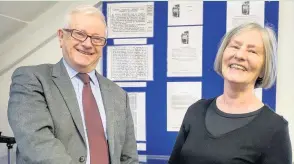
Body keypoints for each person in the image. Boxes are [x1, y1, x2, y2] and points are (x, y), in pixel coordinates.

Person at [7, 5, 138, 164]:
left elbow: (128, 157)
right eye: (79, 34)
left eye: (96, 38)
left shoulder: (119, 95)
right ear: (61, 37)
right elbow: (37, 144)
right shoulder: (31, 79)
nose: (88, 44)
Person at [168, 22, 292, 164]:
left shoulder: (274, 128)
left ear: (264, 68)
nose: (239, 55)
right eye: (235, 46)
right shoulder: (196, 111)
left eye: (252, 51)